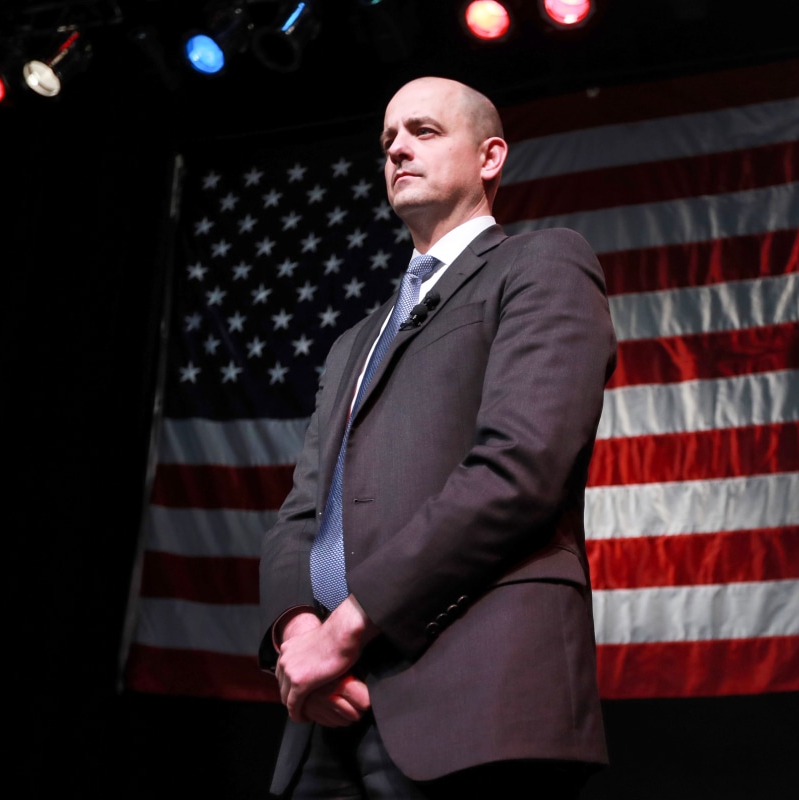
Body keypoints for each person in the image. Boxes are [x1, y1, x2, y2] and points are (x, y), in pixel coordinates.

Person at [258, 75, 617, 799]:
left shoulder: (541, 265)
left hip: (473, 695)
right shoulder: (352, 343)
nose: (397, 150)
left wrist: (352, 623)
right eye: (388, 139)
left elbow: (519, 468)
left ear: (490, 158)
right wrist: (298, 634)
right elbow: (301, 511)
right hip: (331, 708)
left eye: (423, 132)